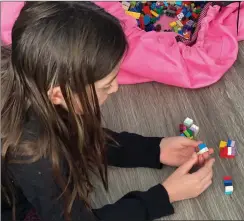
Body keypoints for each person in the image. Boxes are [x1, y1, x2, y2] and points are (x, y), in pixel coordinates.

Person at [1, 2, 215, 221]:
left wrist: (153, 149)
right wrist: (164, 195)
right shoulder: (36, 158)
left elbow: (74, 134)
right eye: (106, 85)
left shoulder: (27, 73)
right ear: (58, 95)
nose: (115, 88)